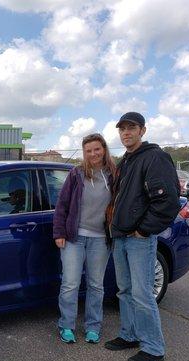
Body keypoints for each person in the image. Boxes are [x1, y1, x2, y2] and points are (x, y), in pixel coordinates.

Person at [104, 112, 180, 361]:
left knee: (142, 294)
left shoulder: (154, 158)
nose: (126, 133)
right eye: (122, 129)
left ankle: (153, 347)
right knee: (124, 290)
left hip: (138, 239)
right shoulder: (126, 161)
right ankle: (130, 334)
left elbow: (167, 200)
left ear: (142, 131)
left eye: (131, 128)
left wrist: (144, 230)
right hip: (121, 237)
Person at [53, 133, 116, 344]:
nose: (93, 154)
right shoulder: (76, 174)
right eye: (88, 151)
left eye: (97, 149)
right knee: (70, 283)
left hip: (100, 239)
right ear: (84, 153)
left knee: (96, 285)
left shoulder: (114, 175)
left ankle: (93, 327)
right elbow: (62, 206)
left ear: (104, 149)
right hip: (74, 237)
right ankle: (66, 325)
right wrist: (59, 233)